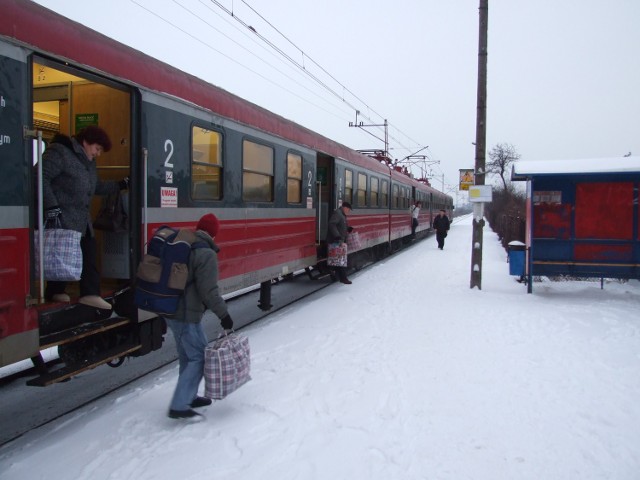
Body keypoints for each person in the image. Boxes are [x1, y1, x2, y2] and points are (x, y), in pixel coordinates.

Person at [41, 126, 128, 309]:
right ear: (86, 142)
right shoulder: (59, 152)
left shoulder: (88, 162)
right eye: (97, 148)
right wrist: (51, 206)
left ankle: (85, 293)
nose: (98, 154)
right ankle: (60, 291)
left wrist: (121, 184)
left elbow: (95, 187)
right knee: (64, 253)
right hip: (61, 215)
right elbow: (40, 177)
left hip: (81, 219)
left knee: (83, 253)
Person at [166, 213, 234, 419]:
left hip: (172, 309)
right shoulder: (206, 254)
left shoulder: (187, 245)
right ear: (214, 234)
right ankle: (179, 405)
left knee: (189, 357)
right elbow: (209, 290)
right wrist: (224, 315)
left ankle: (189, 396)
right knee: (200, 357)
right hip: (185, 313)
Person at [326, 201, 353, 284]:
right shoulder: (338, 213)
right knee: (341, 260)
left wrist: (348, 228)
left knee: (338, 260)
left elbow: (340, 225)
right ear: (345, 208)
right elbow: (332, 224)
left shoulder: (342, 214)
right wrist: (337, 236)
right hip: (336, 241)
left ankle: (334, 272)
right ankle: (343, 278)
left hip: (339, 240)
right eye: (348, 210)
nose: (349, 211)